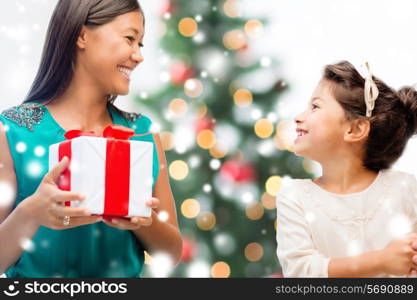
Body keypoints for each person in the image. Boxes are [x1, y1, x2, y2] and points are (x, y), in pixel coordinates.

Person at [0, 0, 182, 278]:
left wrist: (143, 221)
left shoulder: (142, 134)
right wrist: (31, 212)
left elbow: (172, 254)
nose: (138, 55)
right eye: (130, 39)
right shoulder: (13, 131)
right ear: (82, 36)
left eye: (140, 44)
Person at [276, 60, 417, 277]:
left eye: (315, 107)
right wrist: (381, 261)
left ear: (355, 129)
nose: (298, 117)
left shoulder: (406, 189)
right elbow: (300, 272)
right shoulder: (294, 197)